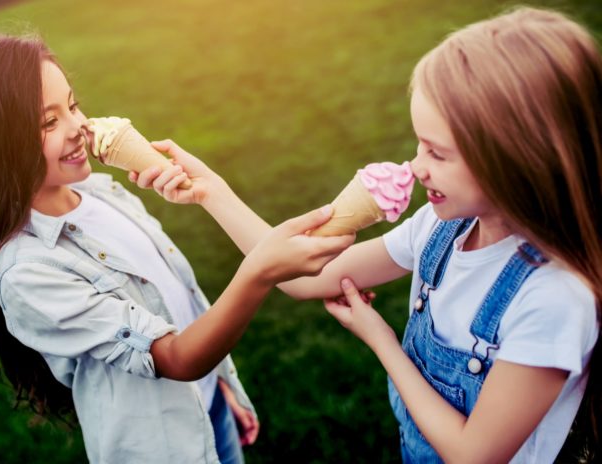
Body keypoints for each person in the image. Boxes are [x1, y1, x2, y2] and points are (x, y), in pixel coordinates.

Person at [132, 7, 601, 462]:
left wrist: (382, 341)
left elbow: (472, 453)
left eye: (437, 153)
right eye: (419, 143)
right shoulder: (441, 229)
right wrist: (212, 192)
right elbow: (302, 277)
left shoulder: (554, 299)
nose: (418, 167)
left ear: (516, 160)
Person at [0, 34, 354, 464]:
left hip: (207, 411)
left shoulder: (102, 191)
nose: (78, 128)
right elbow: (175, 358)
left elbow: (177, 300)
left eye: (72, 106)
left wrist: (221, 381)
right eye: (47, 123)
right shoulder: (28, 272)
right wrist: (258, 272)